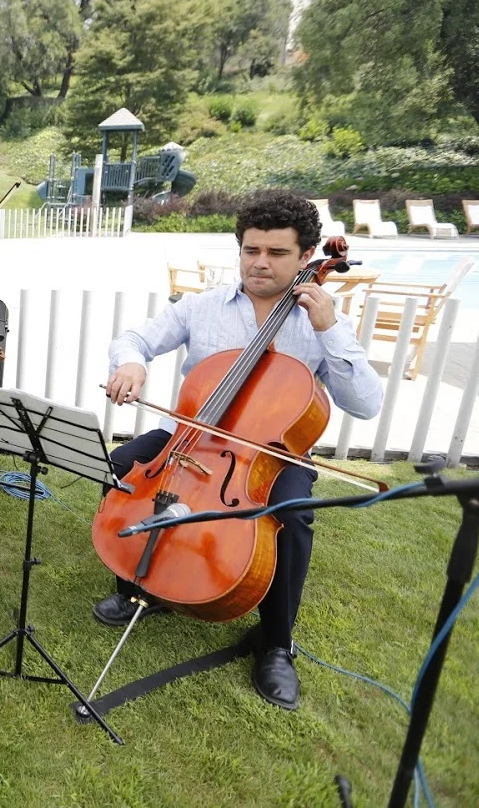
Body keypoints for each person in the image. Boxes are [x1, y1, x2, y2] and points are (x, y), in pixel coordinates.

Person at [96, 191, 383, 710]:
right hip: (189, 435)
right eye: (251, 250)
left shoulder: (320, 323)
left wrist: (329, 329)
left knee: (291, 518)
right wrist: (132, 362)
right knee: (119, 470)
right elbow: (137, 336)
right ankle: (139, 587)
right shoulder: (203, 307)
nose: (260, 263)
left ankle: (276, 643)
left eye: (276, 253)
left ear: (306, 255)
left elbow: (365, 403)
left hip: (269, 454)